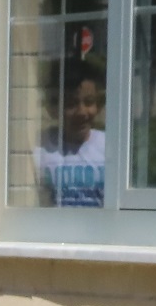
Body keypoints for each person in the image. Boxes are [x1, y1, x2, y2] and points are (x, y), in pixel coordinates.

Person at [35, 70, 109, 208]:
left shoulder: (108, 147)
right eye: (71, 104)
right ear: (54, 109)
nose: (81, 112)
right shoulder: (41, 148)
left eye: (89, 102)